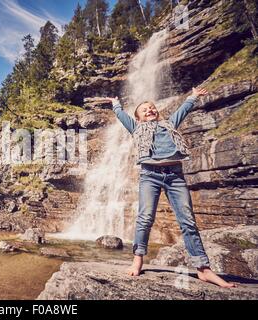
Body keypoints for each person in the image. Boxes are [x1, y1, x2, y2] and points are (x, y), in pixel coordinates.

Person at [101, 88, 236, 288]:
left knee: (188, 220)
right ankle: (138, 258)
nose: (150, 110)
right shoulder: (136, 128)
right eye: (144, 109)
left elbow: (183, 110)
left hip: (175, 176)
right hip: (150, 176)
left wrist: (193, 97)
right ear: (138, 118)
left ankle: (203, 269)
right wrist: (115, 104)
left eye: (152, 108)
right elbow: (121, 116)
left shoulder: (170, 124)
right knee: (145, 217)